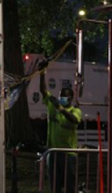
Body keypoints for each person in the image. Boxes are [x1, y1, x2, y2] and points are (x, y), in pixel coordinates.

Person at [39, 62, 82, 193]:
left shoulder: (75, 110)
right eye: (60, 95)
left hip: (68, 154)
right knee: (54, 186)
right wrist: (42, 73)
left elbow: (74, 120)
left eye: (65, 95)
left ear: (70, 98)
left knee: (70, 186)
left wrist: (61, 109)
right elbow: (43, 91)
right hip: (53, 153)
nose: (62, 97)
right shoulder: (53, 104)